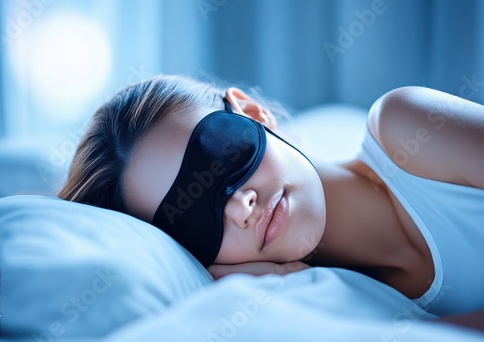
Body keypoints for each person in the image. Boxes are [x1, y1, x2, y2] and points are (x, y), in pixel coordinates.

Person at [59, 74, 484, 319]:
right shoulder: (322, 313)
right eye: (191, 217)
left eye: (220, 157)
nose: (240, 207)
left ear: (252, 114)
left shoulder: (407, 126)